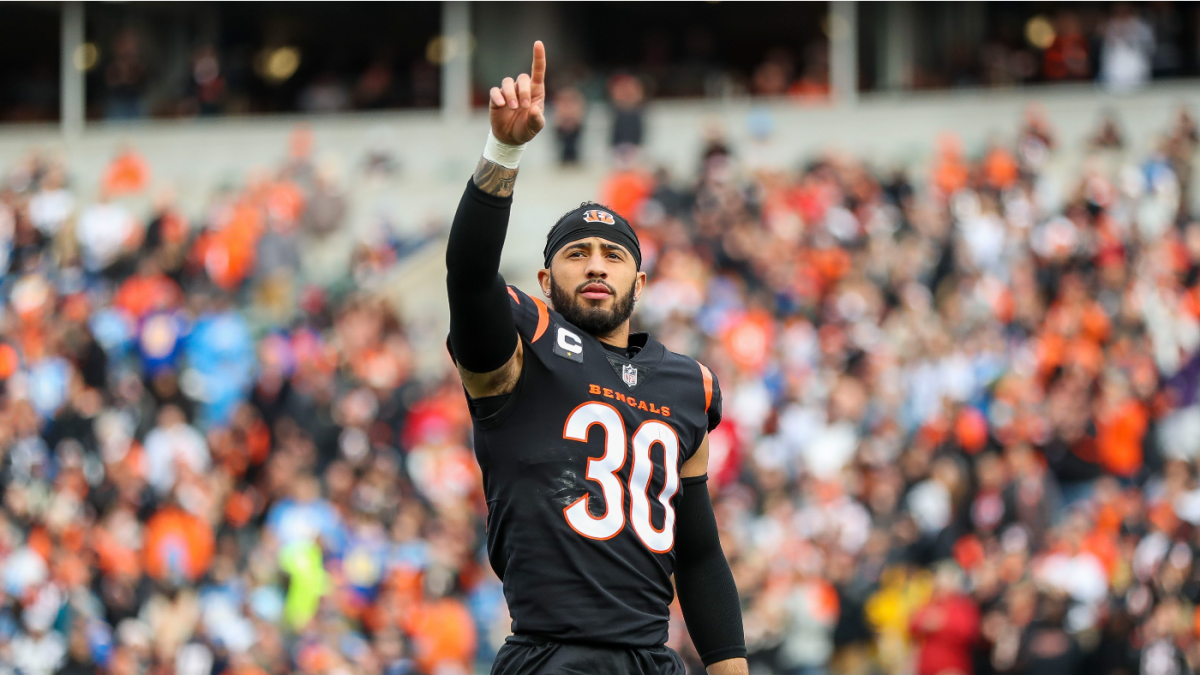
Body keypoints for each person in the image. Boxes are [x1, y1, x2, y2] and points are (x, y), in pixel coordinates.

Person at [444, 41, 747, 675]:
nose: (596, 265)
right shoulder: (523, 350)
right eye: (576, 253)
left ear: (640, 284)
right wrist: (505, 152)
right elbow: (469, 276)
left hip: (650, 660)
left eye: (613, 255)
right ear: (545, 279)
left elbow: (697, 553)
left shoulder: (687, 384)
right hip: (549, 655)